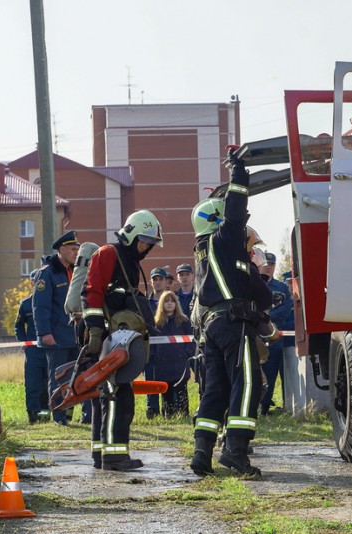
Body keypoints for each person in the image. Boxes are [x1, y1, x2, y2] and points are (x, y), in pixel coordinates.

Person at [188, 148, 273, 478]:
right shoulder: (222, 240)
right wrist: (239, 173)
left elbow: (260, 294)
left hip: (214, 328)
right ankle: (236, 452)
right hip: (233, 325)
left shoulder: (206, 254)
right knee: (248, 385)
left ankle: (201, 452)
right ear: (217, 220)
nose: (243, 228)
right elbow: (235, 213)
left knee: (216, 391)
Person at [82, 209, 162, 471]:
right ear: (131, 235)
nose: (147, 248)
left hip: (117, 338)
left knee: (104, 396)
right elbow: (91, 293)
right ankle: (114, 457)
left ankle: (100, 453)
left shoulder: (128, 260)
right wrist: (95, 332)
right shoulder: (108, 254)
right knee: (117, 396)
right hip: (106, 339)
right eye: (145, 242)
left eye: (150, 244)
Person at [33, 230, 91, 426]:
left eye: (78, 249)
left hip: (77, 334)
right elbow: (40, 307)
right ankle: (58, 416)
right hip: (56, 335)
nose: (77, 252)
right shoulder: (47, 273)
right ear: (62, 249)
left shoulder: (78, 271)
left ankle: (83, 415)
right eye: (73, 249)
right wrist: (44, 333)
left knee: (81, 375)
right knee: (58, 378)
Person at [258, 252, 294, 416]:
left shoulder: (281, 288)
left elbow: (285, 309)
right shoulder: (251, 285)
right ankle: (253, 405)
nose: (267, 267)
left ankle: (264, 407)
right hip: (254, 336)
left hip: (274, 337)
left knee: (271, 372)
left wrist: (263, 318)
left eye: (271, 264)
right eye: (265, 264)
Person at [151, 291, 194, 418]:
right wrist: (154, 357)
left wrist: (187, 354)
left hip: (180, 362)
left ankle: (184, 414)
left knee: (182, 390)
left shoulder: (184, 321)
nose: (169, 304)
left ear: (176, 304)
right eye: (166, 301)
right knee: (166, 391)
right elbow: (151, 343)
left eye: (172, 301)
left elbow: (190, 340)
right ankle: (168, 415)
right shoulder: (156, 323)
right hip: (162, 363)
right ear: (161, 304)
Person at [15, 270, 49, 424]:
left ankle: (46, 416)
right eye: (35, 282)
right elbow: (19, 325)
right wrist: (23, 341)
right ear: (31, 283)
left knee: (48, 385)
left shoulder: (51, 302)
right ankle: (33, 416)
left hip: (50, 349)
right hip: (33, 351)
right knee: (33, 385)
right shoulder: (25, 304)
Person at [145, 267, 168, 419]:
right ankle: (152, 409)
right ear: (151, 282)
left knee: (168, 377)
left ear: (166, 282)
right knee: (150, 378)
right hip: (149, 348)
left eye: (161, 279)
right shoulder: (144, 303)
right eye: (155, 279)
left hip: (167, 347)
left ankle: (168, 409)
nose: (158, 282)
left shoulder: (171, 302)